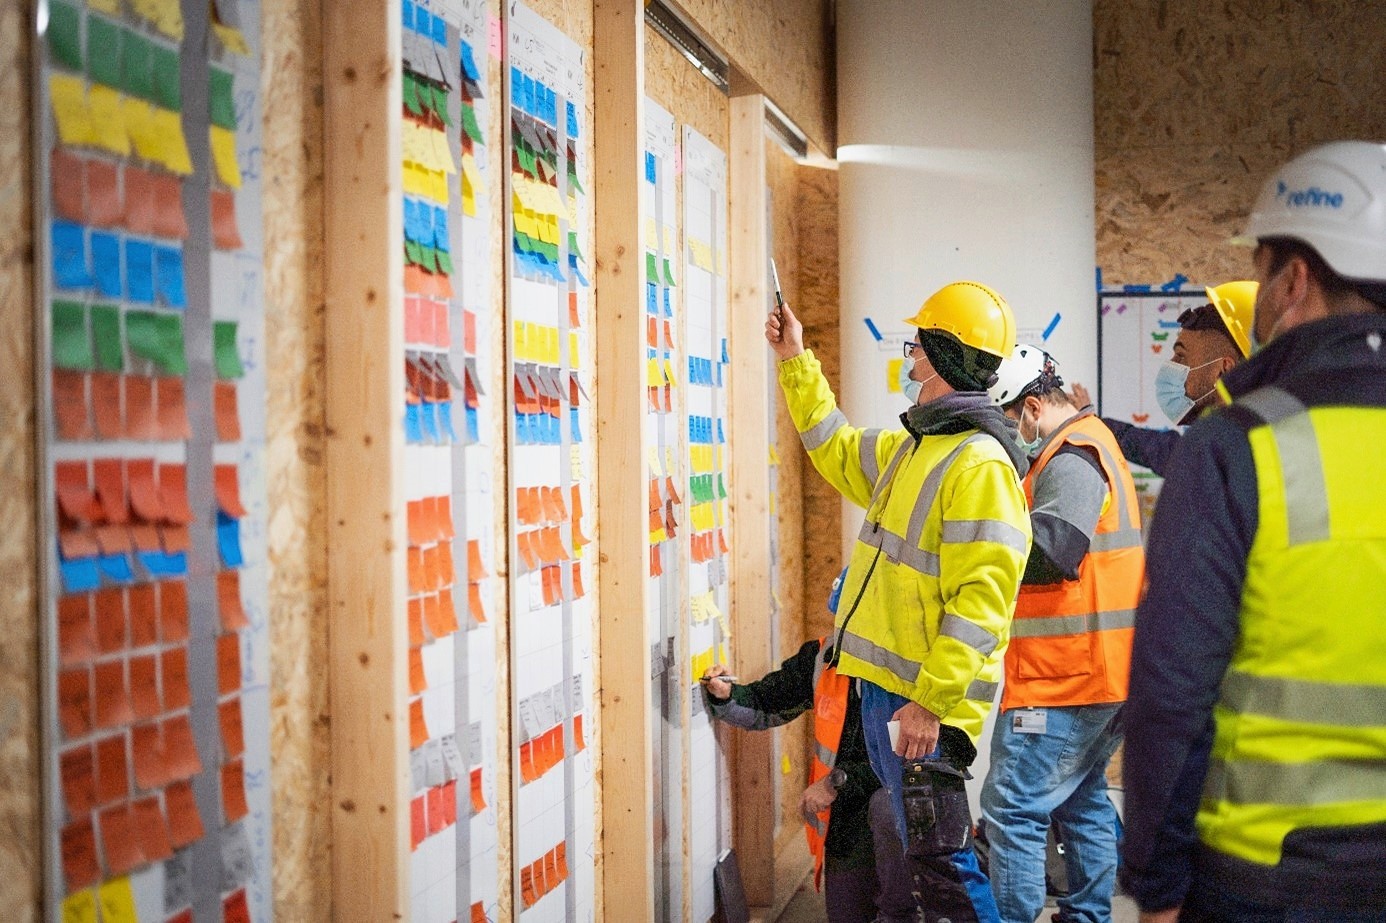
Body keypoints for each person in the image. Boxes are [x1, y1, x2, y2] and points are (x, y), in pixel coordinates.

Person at [1120, 139, 1386, 922]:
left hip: (1265, 879)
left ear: (1294, 279)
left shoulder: (1236, 445)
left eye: (1264, 270)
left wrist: (1158, 886)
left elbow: (1173, 693)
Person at [767, 281, 1032, 923]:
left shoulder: (978, 466)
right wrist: (795, 360)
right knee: (927, 859)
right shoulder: (915, 449)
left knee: (942, 862)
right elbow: (832, 444)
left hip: (923, 705)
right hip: (895, 695)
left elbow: (982, 605)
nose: (910, 360)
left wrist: (930, 704)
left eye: (916, 347)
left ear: (940, 357)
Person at [978, 345, 1144, 923]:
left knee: (1012, 806)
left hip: (1068, 675)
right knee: (1081, 800)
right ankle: (1088, 917)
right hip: (1096, 668)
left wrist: (980, 545)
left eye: (1006, 421)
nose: (1005, 434)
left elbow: (1054, 550)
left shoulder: (1071, 456)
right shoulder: (1083, 443)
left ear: (1029, 407)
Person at [700, 572, 914, 923]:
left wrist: (834, 783)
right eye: (843, 619)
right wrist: (726, 695)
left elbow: (901, 760)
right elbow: (765, 701)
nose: (846, 632)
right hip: (844, 828)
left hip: (897, 819)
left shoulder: (906, 669)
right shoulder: (824, 659)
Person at [1070, 280, 1257, 476]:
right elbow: (1156, 449)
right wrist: (1094, 423)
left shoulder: (1233, 458)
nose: (1172, 365)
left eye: (1181, 356)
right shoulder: (1215, 446)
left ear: (1223, 370)